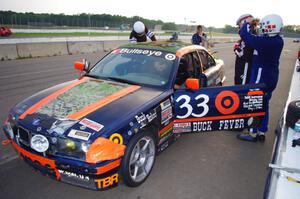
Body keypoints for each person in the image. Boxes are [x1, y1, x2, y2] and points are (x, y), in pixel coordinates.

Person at [237, 14, 284, 142]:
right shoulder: (277, 41)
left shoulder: (264, 41)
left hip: (261, 76)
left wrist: (247, 23)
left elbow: (244, 34)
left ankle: (253, 133)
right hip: (272, 76)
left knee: (254, 103)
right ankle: (262, 130)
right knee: (264, 103)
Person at [234, 14, 259, 85]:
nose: (239, 28)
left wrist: (236, 48)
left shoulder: (250, 36)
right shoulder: (251, 35)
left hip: (245, 68)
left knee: (241, 89)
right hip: (244, 67)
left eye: (239, 25)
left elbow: (245, 55)